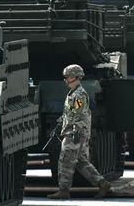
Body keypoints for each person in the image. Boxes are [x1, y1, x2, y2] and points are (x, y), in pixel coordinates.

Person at [48, 64, 112, 200]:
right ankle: (102, 183)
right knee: (81, 162)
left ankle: (64, 190)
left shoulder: (78, 95)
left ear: (76, 77)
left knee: (65, 160)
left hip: (74, 133)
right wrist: (60, 124)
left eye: (68, 77)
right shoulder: (74, 93)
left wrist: (75, 131)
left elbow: (79, 114)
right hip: (75, 131)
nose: (65, 80)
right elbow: (70, 113)